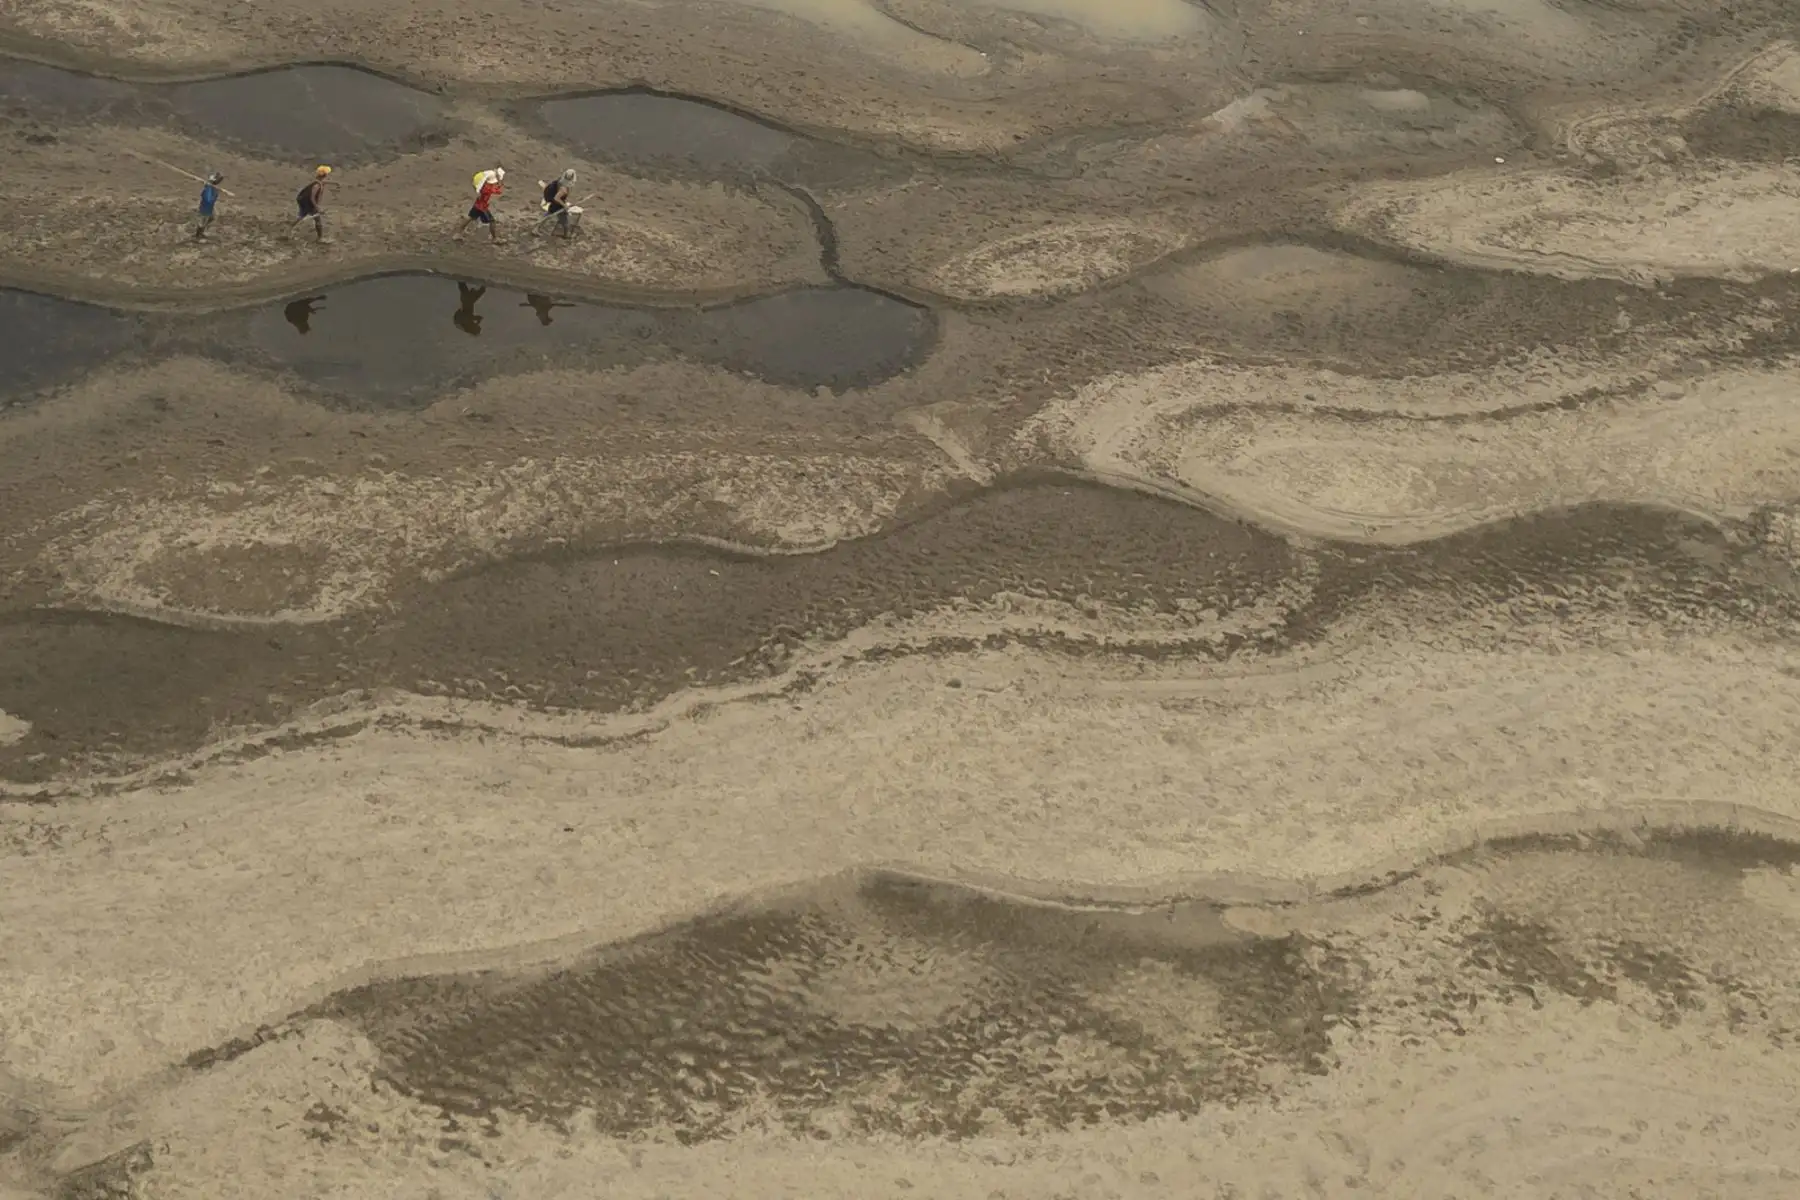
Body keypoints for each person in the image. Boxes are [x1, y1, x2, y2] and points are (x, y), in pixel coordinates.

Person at [454, 167, 504, 242]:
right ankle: (495, 239)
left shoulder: (483, 186)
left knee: (469, 218)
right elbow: (498, 191)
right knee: (492, 221)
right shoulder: (488, 188)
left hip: (477, 205)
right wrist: (499, 181)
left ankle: (458, 234)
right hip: (482, 207)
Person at [291, 166, 332, 242]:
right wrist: (317, 208)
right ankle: (320, 238)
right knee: (318, 220)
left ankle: (288, 229)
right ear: (325, 175)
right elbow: (312, 198)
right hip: (310, 204)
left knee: (301, 216)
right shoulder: (317, 186)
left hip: (305, 203)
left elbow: (323, 182)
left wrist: (335, 183)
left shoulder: (317, 182)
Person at [539, 169, 577, 238]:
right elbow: (556, 198)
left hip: (554, 204)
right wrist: (564, 205)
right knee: (565, 222)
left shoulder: (560, 182)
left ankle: (536, 228)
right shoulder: (564, 188)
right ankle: (566, 235)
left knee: (547, 216)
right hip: (558, 206)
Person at [194, 172, 224, 241]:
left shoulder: (211, 187)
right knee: (202, 222)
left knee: (212, 217)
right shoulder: (208, 189)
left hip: (210, 207)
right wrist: (209, 187)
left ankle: (201, 231)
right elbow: (208, 199)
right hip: (205, 209)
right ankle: (198, 236)